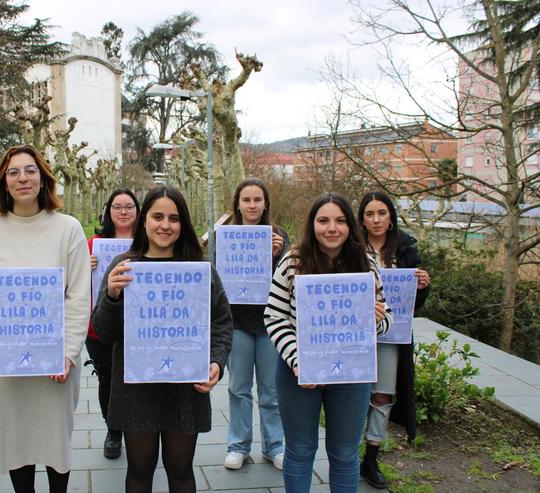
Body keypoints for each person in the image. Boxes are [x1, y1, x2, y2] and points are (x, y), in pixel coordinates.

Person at [0, 144, 90, 493]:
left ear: (43, 177)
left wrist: (68, 353)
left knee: (54, 440)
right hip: (6, 363)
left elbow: (78, 297)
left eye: (30, 170)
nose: (23, 178)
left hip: (55, 361)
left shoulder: (68, 228)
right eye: (14, 172)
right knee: (16, 440)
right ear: (3, 182)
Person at [92, 186, 233, 493]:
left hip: (185, 390)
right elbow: (103, 332)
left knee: (181, 470)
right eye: (157, 216)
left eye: (174, 218)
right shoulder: (124, 266)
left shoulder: (200, 269)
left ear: (183, 224)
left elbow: (221, 322)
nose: (165, 225)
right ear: (144, 221)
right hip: (136, 391)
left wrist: (216, 362)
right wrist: (113, 295)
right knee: (139, 470)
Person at [264, 192, 393, 493]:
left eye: (340, 221)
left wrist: (376, 320)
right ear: (313, 224)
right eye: (323, 220)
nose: (331, 228)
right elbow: (274, 316)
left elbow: (386, 317)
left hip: (352, 375)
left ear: (351, 226)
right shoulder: (292, 262)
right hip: (298, 374)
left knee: (345, 455)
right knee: (299, 452)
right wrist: (299, 361)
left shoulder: (367, 263)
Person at [357, 191, 431, 489]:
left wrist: (422, 287)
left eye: (381, 213)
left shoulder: (406, 248)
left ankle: (371, 457)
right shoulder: (351, 247)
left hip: (391, 335)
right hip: (355, 334)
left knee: (383, 394)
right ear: (361, 218)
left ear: (390, 217)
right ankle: (348, 453)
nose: (376, 220)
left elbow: (416, 303)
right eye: (369, 214)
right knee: (353, 396)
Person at [224, 178, 289, 471]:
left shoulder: (280, 236)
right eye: (246, 200)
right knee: (238, 388)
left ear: (266, 204)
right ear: (237, 203)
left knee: (270, 390)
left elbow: (288, 282)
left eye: (257, 200)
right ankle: (238, 445)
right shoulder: (225, 235)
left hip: (270, 324)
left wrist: (275, 256)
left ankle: (274, 445)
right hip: (236, 323)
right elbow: (217, 279)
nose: (252, 205)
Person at [86, 188, 140, 459]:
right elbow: (74, 283)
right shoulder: (92, 244)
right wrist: (84, 266)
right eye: (117, 207)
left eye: (129, 206)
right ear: (108, 211)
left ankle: (136, 427)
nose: (123, 212)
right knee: (107, 378)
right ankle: (113, 430)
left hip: (139, 327)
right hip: (102, 323)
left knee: (134, 378)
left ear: (138, 211)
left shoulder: (148, 242)